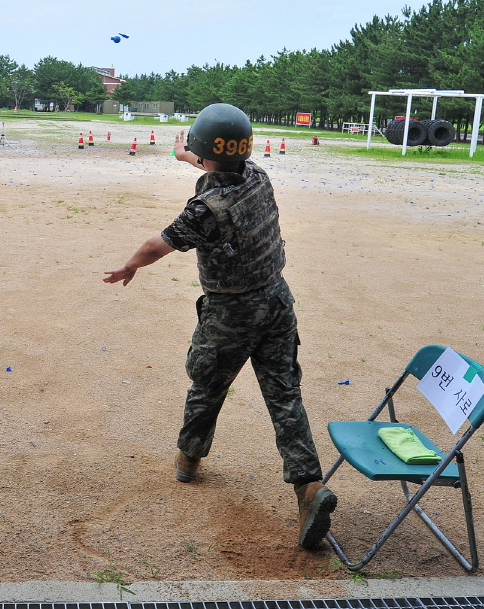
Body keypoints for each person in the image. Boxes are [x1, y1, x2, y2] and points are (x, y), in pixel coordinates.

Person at [104, 103, 336, 549]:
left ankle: (188, 459)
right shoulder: (257, 175)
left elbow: (159, 244)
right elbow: (220, 164)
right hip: (276, 300)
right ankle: (308, 487)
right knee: (284, 393)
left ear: (204, 150)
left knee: (208, 384)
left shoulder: (207, 210)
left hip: (231, 312)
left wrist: (129, 266)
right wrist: (185, 157)